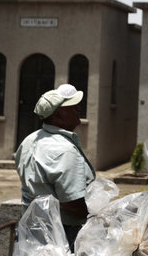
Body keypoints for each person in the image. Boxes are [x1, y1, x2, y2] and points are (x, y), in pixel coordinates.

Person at [15, 84, 95, 252]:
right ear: (58, 116)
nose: (78, 108)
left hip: (32, 230)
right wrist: (96, 216)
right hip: (63, 234)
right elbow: (71, 203)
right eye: (72, 107)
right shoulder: (65, 150)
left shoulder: (29, 140)